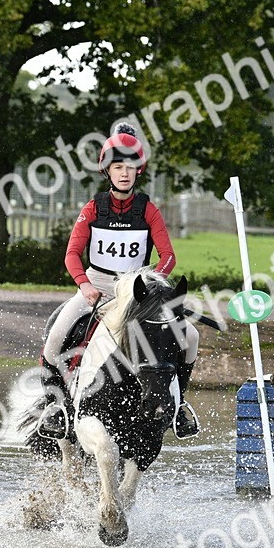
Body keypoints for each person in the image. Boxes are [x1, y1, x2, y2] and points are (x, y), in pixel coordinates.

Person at [37, 123, 200, 439]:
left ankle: (180, 406)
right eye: (118, 167)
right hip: (96, 288)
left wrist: (152, 286)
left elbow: (168, 257)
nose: (124, 173)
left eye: (131, 167)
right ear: (107, 171)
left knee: (190, 336)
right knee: (55, 337)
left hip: (136, 293)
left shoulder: (148, 210)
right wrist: (84, 284)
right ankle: (54, 407)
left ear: (139, 171)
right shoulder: (93, 208)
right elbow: (72, 254)